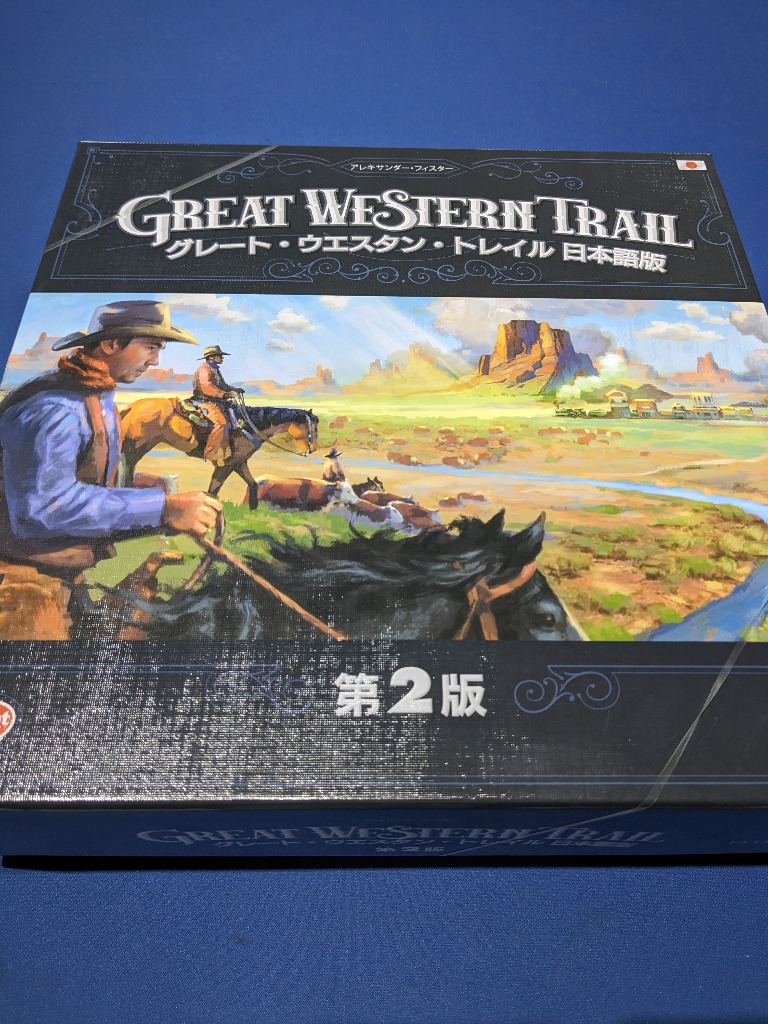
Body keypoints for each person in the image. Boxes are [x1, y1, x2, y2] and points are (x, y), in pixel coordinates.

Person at [0, 299, 223, 639]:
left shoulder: (96, 398)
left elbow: (77, 480)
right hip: (21, 586)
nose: (156, 360)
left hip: (60, 576)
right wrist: (163, 507)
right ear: (111, 344)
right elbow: (43, 507)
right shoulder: (56, 408)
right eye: (151, 347)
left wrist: (149, 491)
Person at [192, 345, 245, 464]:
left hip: (214, 400)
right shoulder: (204, 369)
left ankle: (227, 451)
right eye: (220, 356)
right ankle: (212, 454)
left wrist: (234, 389)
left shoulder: (215, 369)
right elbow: (207, 388)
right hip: (204, 401)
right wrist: (225, 395)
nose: (222, 358)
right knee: (221, 423)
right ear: (211, 357)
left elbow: (222, 385)